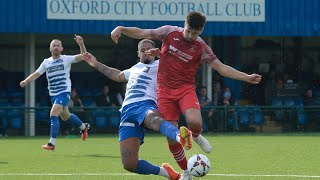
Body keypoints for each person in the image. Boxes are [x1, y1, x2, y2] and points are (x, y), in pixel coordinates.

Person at [111, 11, 262, 179]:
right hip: (165, 92)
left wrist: (246, 77)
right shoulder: (169, 32)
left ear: (201, 31)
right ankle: (187, 171)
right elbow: (143, 32)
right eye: (188, 30)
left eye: (195, 33)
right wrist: (121, 28)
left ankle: (195, 136)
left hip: (185, 89)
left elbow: (221, 67)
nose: (190, 35)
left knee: (195, 122)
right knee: (172, 138)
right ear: (184, 24)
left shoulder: (201, 47)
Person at [82, 39, 192, 180]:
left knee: (153, 119)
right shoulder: (133, 69)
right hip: (127, 111)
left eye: (149, 49)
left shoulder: (162, 64)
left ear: (154, 52)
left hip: (146, 104)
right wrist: (96, 64)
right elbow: (116, 75)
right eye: (142, 50)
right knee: (129, 164)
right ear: (138, 53)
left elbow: (181, 63)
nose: (146, 52)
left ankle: (180, 137)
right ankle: (167, 173)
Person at [19, 35, 90, 151]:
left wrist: (81, 44)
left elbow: (83, 56)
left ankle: (51, 144)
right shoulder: (46, 62)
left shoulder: (66, 59)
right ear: (50, 49)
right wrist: (26, 81)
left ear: (61, 48)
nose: (56, 47)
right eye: (54, 45)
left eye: (58, 45)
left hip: (64, 92)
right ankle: (84, 126)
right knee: (66, 116)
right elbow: (37, 74)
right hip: (53, 94)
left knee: (53, 114)